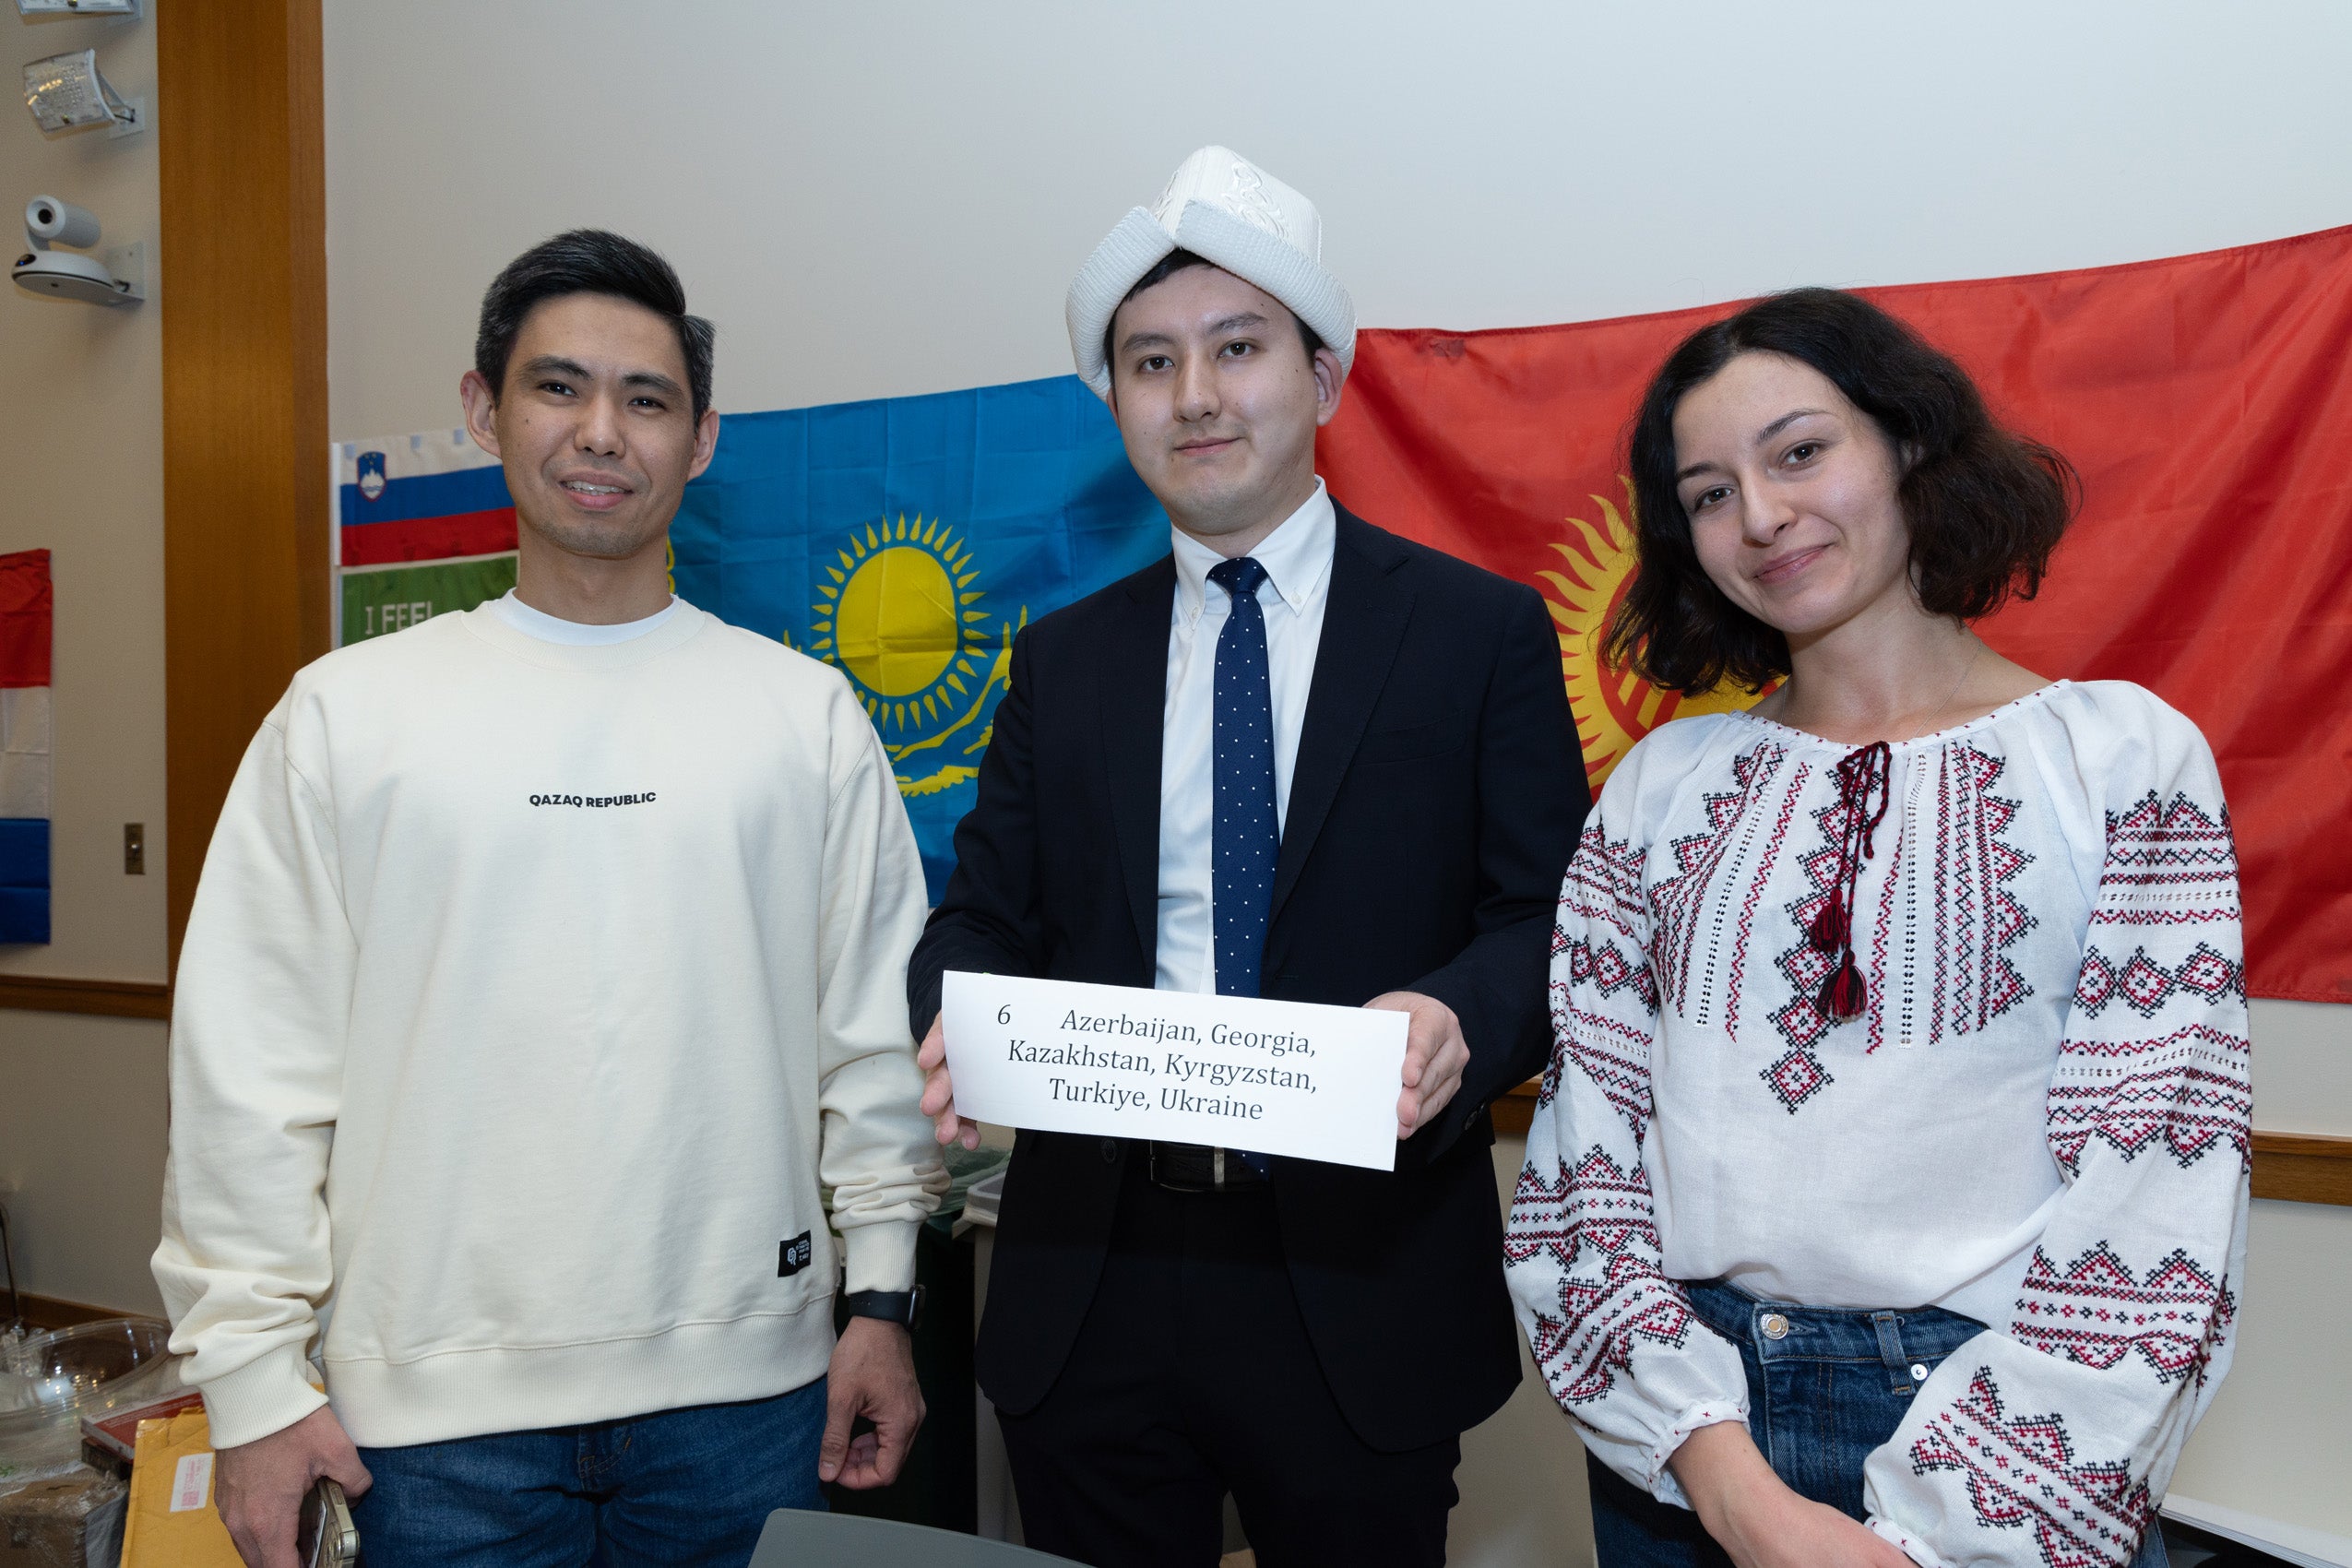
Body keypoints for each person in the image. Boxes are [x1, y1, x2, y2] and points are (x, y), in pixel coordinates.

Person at [151, 230, 945, 1568]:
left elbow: (873, 1042)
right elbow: (250, 1068)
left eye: (646, 400)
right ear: (482, 409)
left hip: (749, 1406)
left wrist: (879, 1301)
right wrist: (249, 1386)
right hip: (426, 1424)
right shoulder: (345, 717)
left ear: (699, 440)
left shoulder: (801, 717)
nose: (601, 432)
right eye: (556, 388)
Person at [905, 147, 1588, 1566]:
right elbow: (979, 913)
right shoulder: (1061, 658)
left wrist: (1461, 1013)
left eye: (1236, 348)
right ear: (1118, 405)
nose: (1196, 395)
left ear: (1324, 376)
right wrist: (952, 1012)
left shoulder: (1475, 635)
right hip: (1090, 1272)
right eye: (1150, 362)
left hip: (1358, 1276)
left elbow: (1545, 919)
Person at [1505, 288, 2249, 1568]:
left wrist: (1935, 1537)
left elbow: (2159, 1180)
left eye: (1798, 452)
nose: (1761, 515)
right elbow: (1585, 1167)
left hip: (2006, 1444)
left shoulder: (2119, 759)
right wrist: (1725, 1484)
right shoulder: (1658, 786)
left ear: (1908, 445)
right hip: (1683, 1432)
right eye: (1707, 492)